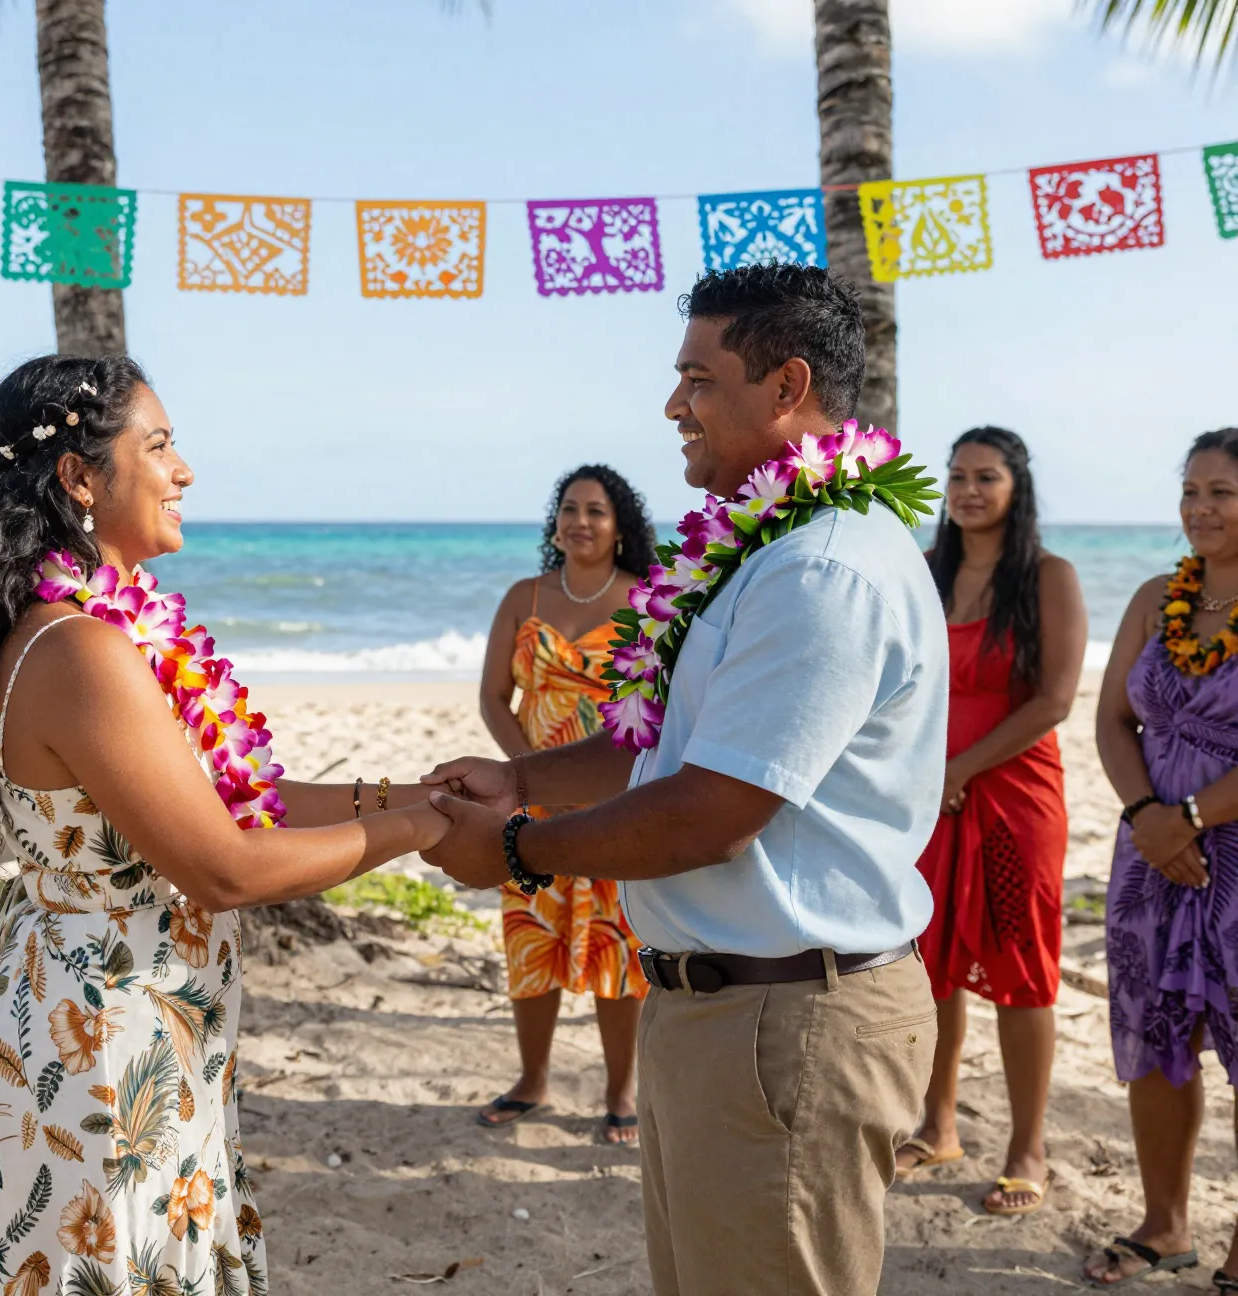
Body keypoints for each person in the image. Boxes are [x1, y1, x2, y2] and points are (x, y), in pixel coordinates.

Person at [421, 263, 948, 1295]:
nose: (674, 406)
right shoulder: (761, 549)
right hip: (723, 1012)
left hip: (789, 1019)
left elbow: (715, 811)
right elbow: (658, 742)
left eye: (699, 380)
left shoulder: (823, 567)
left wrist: (518, 853)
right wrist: (517, 778)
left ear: (786, 387)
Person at [0, 355, 449, 1295]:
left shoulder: (107, 632)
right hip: (100, 1043)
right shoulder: (81, 648)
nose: (185, 470)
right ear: (81, 478)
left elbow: (240, 801)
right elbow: (226, 867)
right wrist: (427, 832)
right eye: (158, 445)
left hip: (142, 1018)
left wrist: (408, 794)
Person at [897, 427, 1085, 1216]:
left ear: (1017, 488)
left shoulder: (1048, 576)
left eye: (986, 477)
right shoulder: (926, 572)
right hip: (927, 795)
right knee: (930, 959)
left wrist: (961, 772)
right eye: (957, 476)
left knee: (1023, 970)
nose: (968, 490)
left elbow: (1055, 700)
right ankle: (938, 1126)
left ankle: (1026, 1148)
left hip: (1013, 797)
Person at [1084, 427, 1238, 1289]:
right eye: (1190, 491)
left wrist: (1187, 817)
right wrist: (1147, 814)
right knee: (1154, 1036)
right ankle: (1165, 1222)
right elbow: (1113, 720)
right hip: (1148, 851)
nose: (1200, 508)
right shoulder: (1154, 597)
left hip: (1231, 853)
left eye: (1221, 492)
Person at [475, 464, 654, 1145]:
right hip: (531, 802)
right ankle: (533, 1080)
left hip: (616, 799)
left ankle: (619, 1092)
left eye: (597, 511)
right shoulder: (526, 595)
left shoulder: (645, 600)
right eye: (570, 509)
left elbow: (655, 708)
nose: (580, 521)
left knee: (616, 945)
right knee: (531, 940)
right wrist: (528, 773)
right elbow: (494, 696)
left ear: (619, 527)